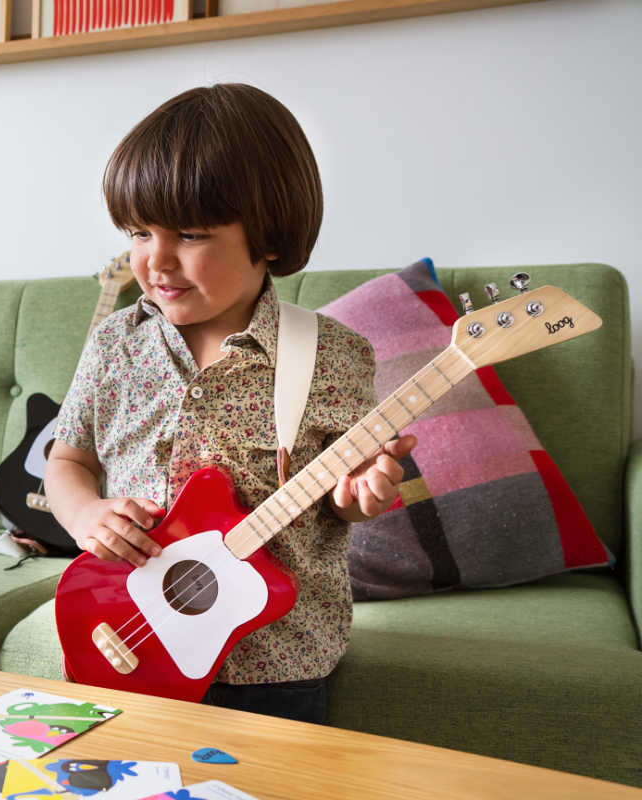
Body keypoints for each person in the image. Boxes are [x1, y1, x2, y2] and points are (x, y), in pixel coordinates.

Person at [44, 83, 416, 724]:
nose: (156, 260)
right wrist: (86, 516)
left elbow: (346, 485)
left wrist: (362, 493)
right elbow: (68, 459)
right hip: (126, 633)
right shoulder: (116, 344)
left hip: (273, 662)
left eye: (189, 234)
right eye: (137, 232)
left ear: (268, 237)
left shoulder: (333, 355)